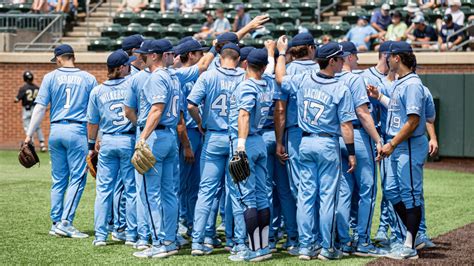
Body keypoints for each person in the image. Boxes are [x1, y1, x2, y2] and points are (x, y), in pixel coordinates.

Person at [275, 39, 356, 261]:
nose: (342, 62)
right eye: (339, 59)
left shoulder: (303, 79)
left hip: (305, 143)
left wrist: (281, 54)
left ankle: (305, 246)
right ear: (331, 61)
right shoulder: (341, 87)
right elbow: (346, 126)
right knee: (327, 198)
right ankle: (328, 248)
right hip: (327, 143)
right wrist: (351, 152)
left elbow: (280, 78)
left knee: (306, 196)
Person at [24, 44, 98, 238]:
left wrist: (28, 135)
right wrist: (97, 138)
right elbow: (94, 113)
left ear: (58, 58)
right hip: (77, 130)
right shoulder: (89, 78)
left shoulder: (50, 77)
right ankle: (65, 223)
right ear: (73, 57)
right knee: (78, 177)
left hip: (55, 130)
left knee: (58, 180)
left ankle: (56, 222)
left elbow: (39, 108)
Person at [187, 43, 248, 257]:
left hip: (212, 136)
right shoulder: (244, 77)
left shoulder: (208, 76)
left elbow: (191, 105)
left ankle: (199, 240)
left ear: (220, 57)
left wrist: (201, 122)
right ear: (239, 58)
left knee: (206, 192)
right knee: (237, 193)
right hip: (235, 139)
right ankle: (238, 242)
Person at [378, 41, 431, 260]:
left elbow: (413, 121)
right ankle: (415, 235)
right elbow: (397, 107)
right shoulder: (402, 82)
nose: (386, 59)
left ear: (397, 58)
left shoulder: (412, 84)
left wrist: (391, 144)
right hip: (399, 145)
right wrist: (379, 97)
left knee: (410, 195)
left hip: (408, 144)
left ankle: (409, 245)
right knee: (391, 190)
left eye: (389, 56)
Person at [227, 48, 277, 262]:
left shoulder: (248, 85)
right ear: (264, 67)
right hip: (259, 141)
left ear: (246, 64)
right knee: (260, 195)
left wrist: (240, 146)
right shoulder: (267, 84)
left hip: (245, 141)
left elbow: (244, 114)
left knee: (246, 197)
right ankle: (263, 246)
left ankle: (252, 249)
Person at [334, 41, 383, 257]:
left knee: (344, 192)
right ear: (350, 57)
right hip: (358, 137)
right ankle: (362, 241)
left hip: (336, 138)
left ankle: (344, 241)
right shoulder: (355, 79)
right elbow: (363, 114)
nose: (357, 59)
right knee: (367, 191)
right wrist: (378, 139)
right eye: (355, 56)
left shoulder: (328, 77)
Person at [87, 50, 137, 247]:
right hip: (128, 140)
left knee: (103, 190)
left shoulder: (97, 91)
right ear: (123, 67)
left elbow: (92, 122)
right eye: (128, 64)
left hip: (107, 141)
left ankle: (100, 236)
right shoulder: (132, 84)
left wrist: (91, 146)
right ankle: (131, 235)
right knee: (131, 190)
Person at [123, 39, 154, 251]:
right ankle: (163, 236)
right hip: (164, 134)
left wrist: (141, 127)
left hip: (140, 134)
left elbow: (128, 111)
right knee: (163, 190)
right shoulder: (171, 76)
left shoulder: (134, 78)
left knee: (141, 189)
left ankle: (140, 235)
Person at [15, 71, 47, 152]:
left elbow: (16, 99)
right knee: (37, 127)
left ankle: (31, 144)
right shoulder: (37, 88)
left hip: (27, 109)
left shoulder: (23, 88)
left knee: (28, 127)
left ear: (24, 78)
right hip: (36, 109)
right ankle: (42, 144)